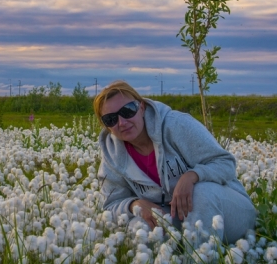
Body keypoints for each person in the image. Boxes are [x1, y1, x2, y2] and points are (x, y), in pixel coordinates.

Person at [95, 80, 255, 243]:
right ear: (106, 126)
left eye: (128, 111)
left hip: (229, 213)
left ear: (141, 107)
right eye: (111, 119)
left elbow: (225, 163)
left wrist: (192, 176)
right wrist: (135, 204)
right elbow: (110, 206)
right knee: (139, 227)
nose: (122, 122)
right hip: (177, 217)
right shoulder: (112, 154)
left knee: (200, 193)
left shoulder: (176, 124)